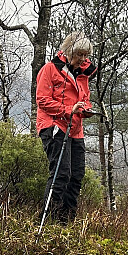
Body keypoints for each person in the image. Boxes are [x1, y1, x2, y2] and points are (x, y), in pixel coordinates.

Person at [36, 31, 97, 225]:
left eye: (86, 55)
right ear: (69, 50)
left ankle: (66, 224)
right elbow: (42, 100)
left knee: (76, 175)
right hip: (53, 125)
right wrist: (68, 109)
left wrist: (86, 110)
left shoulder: (83, 75)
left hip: (75, 129)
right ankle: (47, 222)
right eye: (80, 54)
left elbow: (84, 100)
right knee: (61, 173)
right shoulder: (50, 69)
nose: (83, 59)